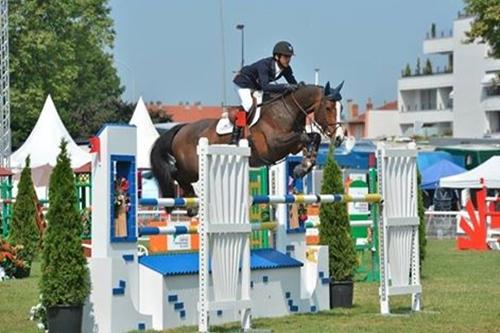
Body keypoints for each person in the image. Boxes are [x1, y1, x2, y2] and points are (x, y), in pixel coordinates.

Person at [231, 41, 300, 144]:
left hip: (256, 86)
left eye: (289, 57)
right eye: (286, 57)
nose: (288, 60)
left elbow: (293, 83)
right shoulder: (264, 65)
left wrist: (300, 87)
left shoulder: (286, 69)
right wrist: (286, 86)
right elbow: (266, 87)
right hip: (243, 83)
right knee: (248, 104)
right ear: (277, 56)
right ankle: (235, 135)